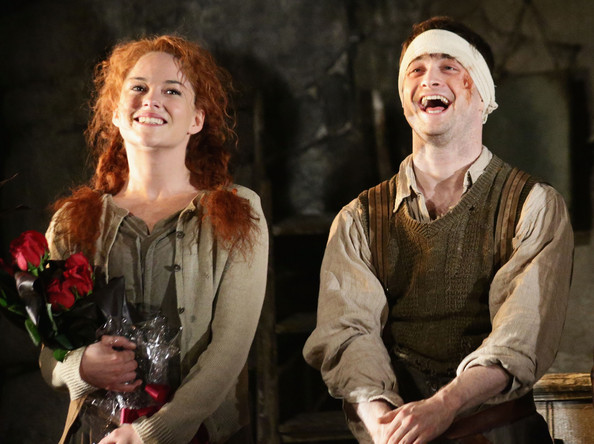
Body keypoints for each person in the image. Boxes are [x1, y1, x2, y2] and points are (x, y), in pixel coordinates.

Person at [303, 16, 573, 444]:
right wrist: (386, 427)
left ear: (481, 92)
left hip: (499, 432)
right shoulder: (359, 219)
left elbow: (519, 336)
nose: (429, 77)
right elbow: (348, 336)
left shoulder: (532, 204)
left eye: (449, 65)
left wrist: (442, 408)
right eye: (416, 68)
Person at [39, 35, 268, 444]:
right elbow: (48, 356)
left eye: (172, 91)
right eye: (138, 87)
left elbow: (230, 351)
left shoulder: (238, 212)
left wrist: (150, 435)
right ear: (114, 110)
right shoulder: (71, 223)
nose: (151, 99)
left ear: (196, 119)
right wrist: (81, 367)